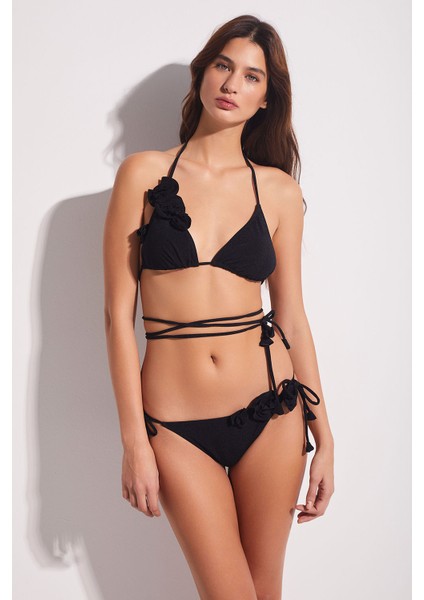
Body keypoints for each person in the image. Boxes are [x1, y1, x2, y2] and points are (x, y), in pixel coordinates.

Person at [103, 14, 335, 600]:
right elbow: (116, 317)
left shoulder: (278, 190)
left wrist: (324, 436)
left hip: (272, 414)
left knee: (265, 591)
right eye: (223, 66)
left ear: (266, 99)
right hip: (176, 426)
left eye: (252, 76)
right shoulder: (142, 174)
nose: (233, 84)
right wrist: (134, 441)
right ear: (202, 73)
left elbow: (292, 317)